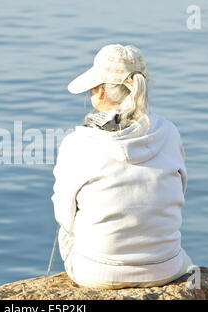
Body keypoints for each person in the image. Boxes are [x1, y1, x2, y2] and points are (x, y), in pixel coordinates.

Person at [51, 44, 193, 289]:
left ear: (98, 91)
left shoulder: (77, 143)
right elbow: (179, 191)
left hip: (96, 273)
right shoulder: (169, 132)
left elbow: (65, 217)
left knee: (67, 228)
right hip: (166, 267)